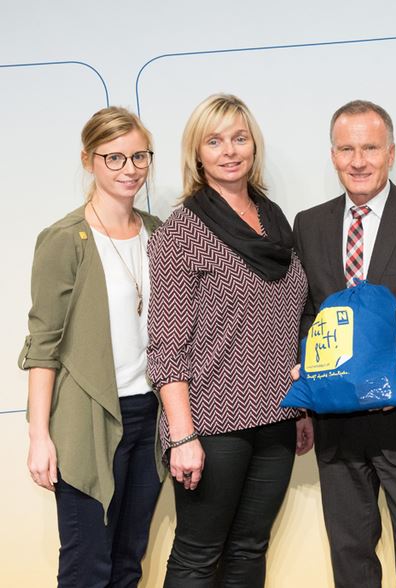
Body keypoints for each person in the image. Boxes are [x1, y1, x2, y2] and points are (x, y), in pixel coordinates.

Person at [147, 94, 311, 587]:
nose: (230, 151)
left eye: (239, 138)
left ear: (253, 145)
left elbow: (290, 322)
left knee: (249, 548)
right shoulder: (180, 233)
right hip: (211, 424)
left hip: (278, 416)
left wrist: (304, 406)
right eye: (214, 141)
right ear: (197, 154)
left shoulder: (275, 219)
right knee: (198, 556)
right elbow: (167, 345)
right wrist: (182, 436)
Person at [292, 100, 396, 588]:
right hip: (336, 427)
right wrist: (306, 374)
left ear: (391, 153)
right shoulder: (309, 224)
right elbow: (308, 314)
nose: (358, 161)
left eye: (370, 148)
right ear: (332, 155)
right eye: (347, 149)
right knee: (350, 559)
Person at [20, 106, 164, 587]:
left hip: (149, 416)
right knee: (88, 567)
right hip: (87, 421)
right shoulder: (66, 239)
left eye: (139, 156)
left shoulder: (158, 231)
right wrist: (39, 436)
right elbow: (43, 345)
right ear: (89, 160)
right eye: (114, 158)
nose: (130, 169)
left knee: (128, 563)